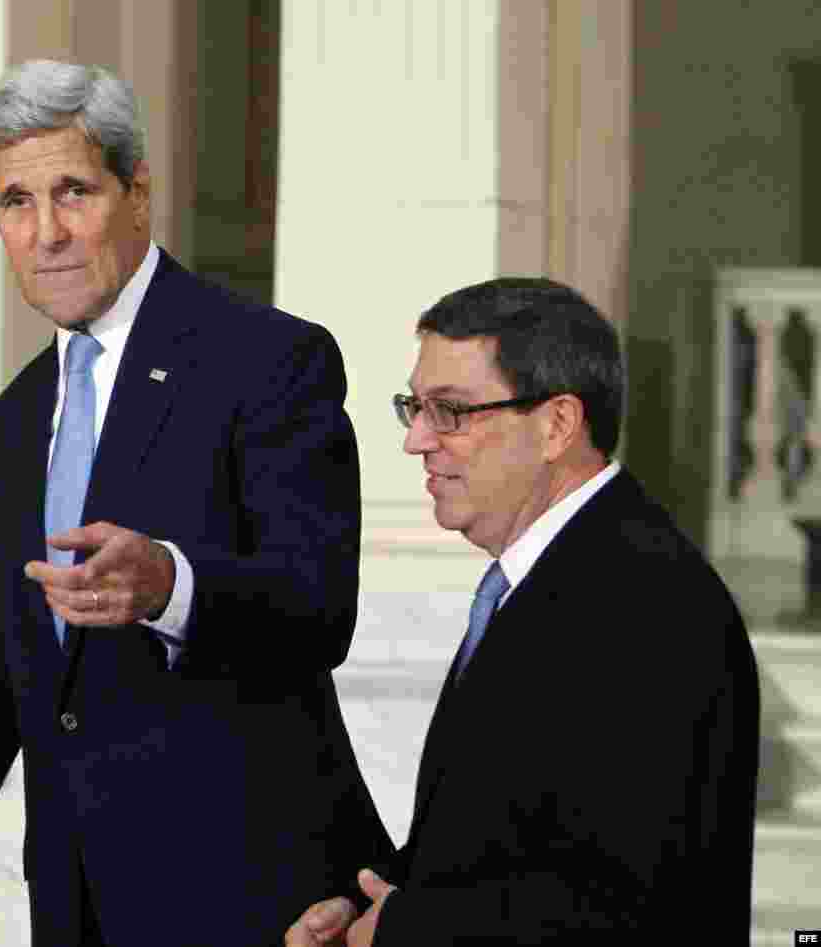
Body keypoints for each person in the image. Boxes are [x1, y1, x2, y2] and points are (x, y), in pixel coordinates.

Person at [0, 60, 390, 947]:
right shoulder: (10, 425)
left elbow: (319, 606)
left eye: (73, 190)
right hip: (81, 916)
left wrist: (172, 584)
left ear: (138, 191)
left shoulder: (268, 359)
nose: (46, 232)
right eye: (16, 201)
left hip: (266, 911)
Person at [286, 278, 759, 945]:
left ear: (556, 425)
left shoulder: (648, 604)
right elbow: (501, 836)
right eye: (413, 408)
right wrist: (368, 904)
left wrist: (405, 929)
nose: (416, 440)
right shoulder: (550, 574)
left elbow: (622, 902)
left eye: (450, 412)